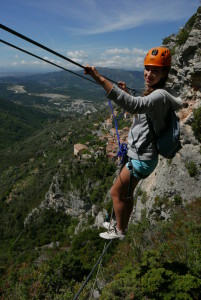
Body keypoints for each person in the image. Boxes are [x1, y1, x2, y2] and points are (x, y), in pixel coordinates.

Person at [84, 47, 182, 240]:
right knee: (127, 194)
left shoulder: (159, 96)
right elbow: (142, 112)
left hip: (141, 158)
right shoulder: (156, 94)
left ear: (164, 73)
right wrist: (127, 92)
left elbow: (135, 105)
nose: (149, 73)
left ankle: (119, 231)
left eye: (155, 70)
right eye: (147, 68)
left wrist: (99, 78)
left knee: (115, 193)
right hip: (144, 156)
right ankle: (122, 225)